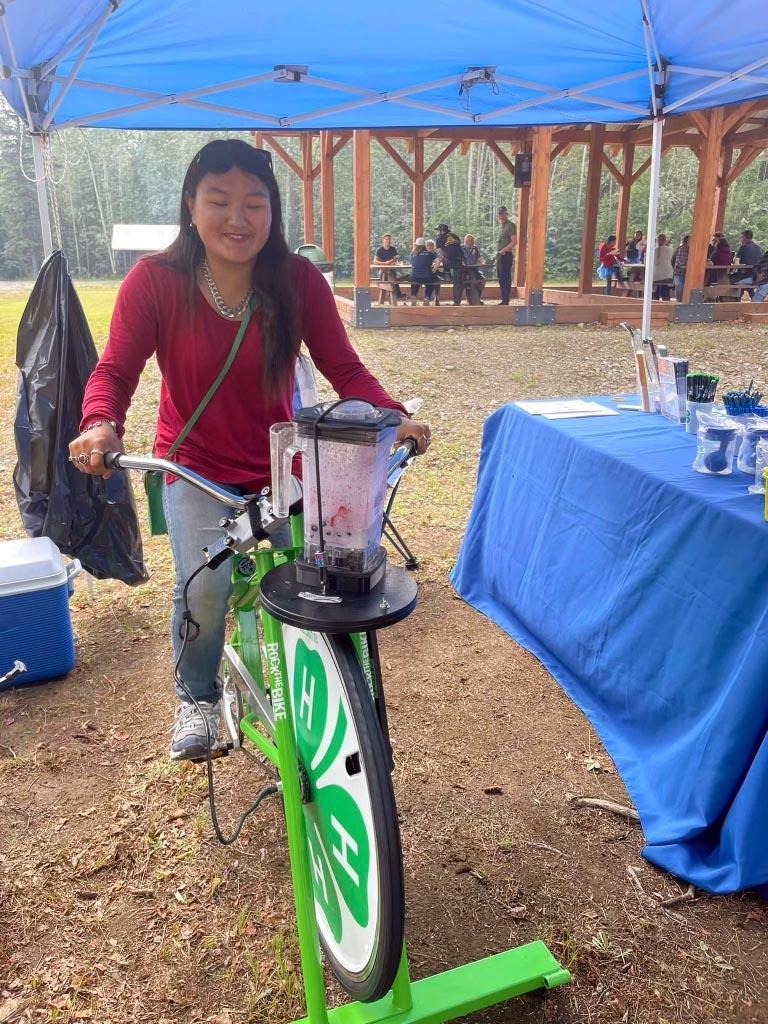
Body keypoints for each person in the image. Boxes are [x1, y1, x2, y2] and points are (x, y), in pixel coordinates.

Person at [68, 139, 431, 762]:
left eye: (254, 204)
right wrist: (101, 423)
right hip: (194, 468)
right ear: (191, 204)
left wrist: (390, 415)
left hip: (285, 468)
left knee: (320, 580)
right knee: (204, 590)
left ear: (274, 213)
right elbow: (115, 371)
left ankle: (313, 694)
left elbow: (343, 365)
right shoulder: (154, 281)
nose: (238, 219)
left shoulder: (298, 280)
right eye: (219, 200)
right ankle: (199, 694)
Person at [409, 238, 441, 305]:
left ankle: (413, 296)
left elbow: (413, 263)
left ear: (416, 245)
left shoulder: (412, 254)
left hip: (415, 277)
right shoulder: (430, 253)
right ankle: (427, 297)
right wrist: (434, 270)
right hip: (427, 277)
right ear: (424, 246)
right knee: (434, 280)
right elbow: (438, 261)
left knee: (414, 279)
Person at [496, 206, 517, 305]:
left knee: (505, 278)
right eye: (500, 214)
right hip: (500, 255)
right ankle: (503, 298)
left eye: (503, 214)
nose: (501, 216)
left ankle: (506, 299)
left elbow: (514, 241)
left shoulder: (510, 226)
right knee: (500, 278)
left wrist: (505, 249)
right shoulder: (502, 226)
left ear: (506, 214)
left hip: (506, 255)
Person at [374, 232, 404, 300]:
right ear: (383, 240)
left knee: (392, 276)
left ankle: (394, 296)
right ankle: (397, 295)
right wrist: (385, 263)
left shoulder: (393, 249)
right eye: (387, 239)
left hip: (392, 270)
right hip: (382, 271)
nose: (388, 241)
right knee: (392, 277)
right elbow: (375, 261)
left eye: (389, 239)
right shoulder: (379, 250)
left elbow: (395, 260)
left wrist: (394, 262)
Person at [441, 231, 466, 305]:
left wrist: (443, 260)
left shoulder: (447, 243)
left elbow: (447, 256)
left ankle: (456, 301)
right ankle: (457, 301)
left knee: (456, 283)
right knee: (458, 283)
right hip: (459, 265)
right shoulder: (457, 243)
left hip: (452, 265)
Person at [461, 234, 486, 302]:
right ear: (464, 241)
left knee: (482, 280)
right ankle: (468, 298)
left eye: (471, 241)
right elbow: (458, 259)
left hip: (474, 269)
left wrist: (483, 262)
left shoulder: (475, 248)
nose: (469, 242)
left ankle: (478, 297)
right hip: (464, 270)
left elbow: (480, 258)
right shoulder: (461, 248)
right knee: (468, 281)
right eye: (468, 241)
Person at [652, 233, 674, 300]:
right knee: (665, 291)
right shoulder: (670, 249)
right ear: (665, 240)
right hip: (667, 275)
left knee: (656, 290)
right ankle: (666, 304)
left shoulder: (654, 250)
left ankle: (655, 302)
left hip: (655, 275)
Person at [672, 234, 689, 303]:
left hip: (685, 272)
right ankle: (680, 302)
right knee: (680, 286)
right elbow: (680, 262)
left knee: (680, 287)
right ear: (687, 241)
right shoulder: (683, 248)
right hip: (680, 272)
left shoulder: (692, 249)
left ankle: (681, 302)